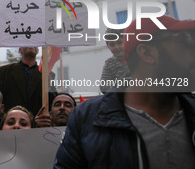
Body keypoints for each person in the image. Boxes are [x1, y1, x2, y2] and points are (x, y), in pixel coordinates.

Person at [54, 15, 195, 169]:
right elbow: (105, 85)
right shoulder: (86, 118)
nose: (192, 50)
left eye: (119, 42)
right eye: (184, 41)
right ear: (146, 54)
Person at [0, 47, 54, 116]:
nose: (31, 45)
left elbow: (52, 102)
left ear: (37, 50)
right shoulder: (4, 71)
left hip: (38, 123)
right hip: (12, 121)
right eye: (27, 42)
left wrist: (49, 88)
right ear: (20, 50)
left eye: (34, 43)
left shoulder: (47, 74)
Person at [100, 28, 131, 93]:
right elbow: (103, 87)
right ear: (108, 46)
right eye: (112, 45)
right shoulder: (109, 63)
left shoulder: (137, 57)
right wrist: (121, 85)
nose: (116, 47)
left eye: (119, 43)